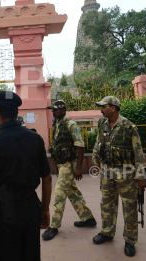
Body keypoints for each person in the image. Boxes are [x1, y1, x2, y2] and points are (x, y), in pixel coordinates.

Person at [0, 91, 52, 260]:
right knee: (30, 254)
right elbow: (47, 178)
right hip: (32, 210)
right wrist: (45, 209)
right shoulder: (36, 139)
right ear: (16, 112)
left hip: (5, 215)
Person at [91, 96, 146, 257]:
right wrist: (95, 160)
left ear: (113, 108)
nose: (101, 109)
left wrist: (141, 176)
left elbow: (138, 153)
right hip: (107, 171)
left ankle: (130, 240)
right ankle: (107, 232)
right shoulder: (103, 123)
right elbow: (98, 142)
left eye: (104, 106)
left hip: (126, 172)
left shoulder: (129, 127)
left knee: (129, 206)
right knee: (107, 203)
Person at [42, 100, 96, 241]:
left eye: (55, 110)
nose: (53, 112)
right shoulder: (58, 124)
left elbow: (80, 145)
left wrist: (79, 168)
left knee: (60, 193)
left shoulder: (71, 124)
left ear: (62, 110)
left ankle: (53, 226)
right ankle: (88, 218)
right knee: (72, 192)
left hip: (68, 165)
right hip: (61, 164)